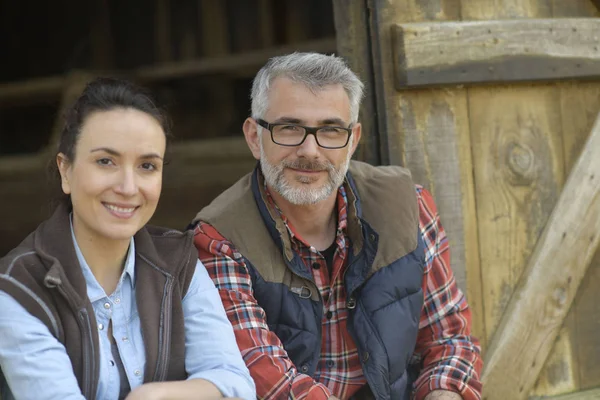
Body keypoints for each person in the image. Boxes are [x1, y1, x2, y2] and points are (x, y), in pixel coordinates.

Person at [190, 53, 483, 400]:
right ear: (255, 137)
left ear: (353, 139)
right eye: (289, 128)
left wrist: (443, 394)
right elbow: (269, 381)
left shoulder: (408, 204)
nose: (310, 151)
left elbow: (449, 338)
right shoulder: (218, 236)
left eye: (330, 130)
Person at [0, 78, 255, 400]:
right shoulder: (18, 288)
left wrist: (155, 397)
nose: (128, 187)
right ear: (66, 171)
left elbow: (234, 381)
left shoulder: (178, 261)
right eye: (106, 161)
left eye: (147, 166)